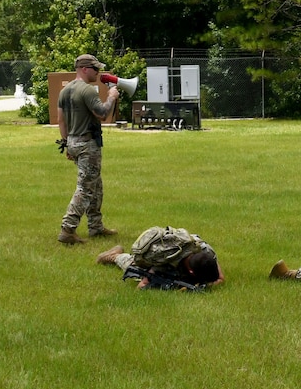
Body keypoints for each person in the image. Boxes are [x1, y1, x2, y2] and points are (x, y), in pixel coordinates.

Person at [56, 54, 120, 245]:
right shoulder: (87, 90)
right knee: (85, 188)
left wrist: (67, 143)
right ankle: (68, 229)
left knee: (95, 185)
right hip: (87, 144)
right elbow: (102, 113)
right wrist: (111, 97)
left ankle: (96, 227)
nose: (98, 73)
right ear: (85, 69)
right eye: (95, 69)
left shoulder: (65, 91)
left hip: (74, 142)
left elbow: (61, 120)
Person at [96, 226, 223, 290]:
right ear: (191, 272)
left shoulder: (206, 251)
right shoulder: (166, 260)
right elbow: (142, 284)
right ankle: (115, 256)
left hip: (182, 257)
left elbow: (220, 278)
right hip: (156, 255)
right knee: (134, 267)